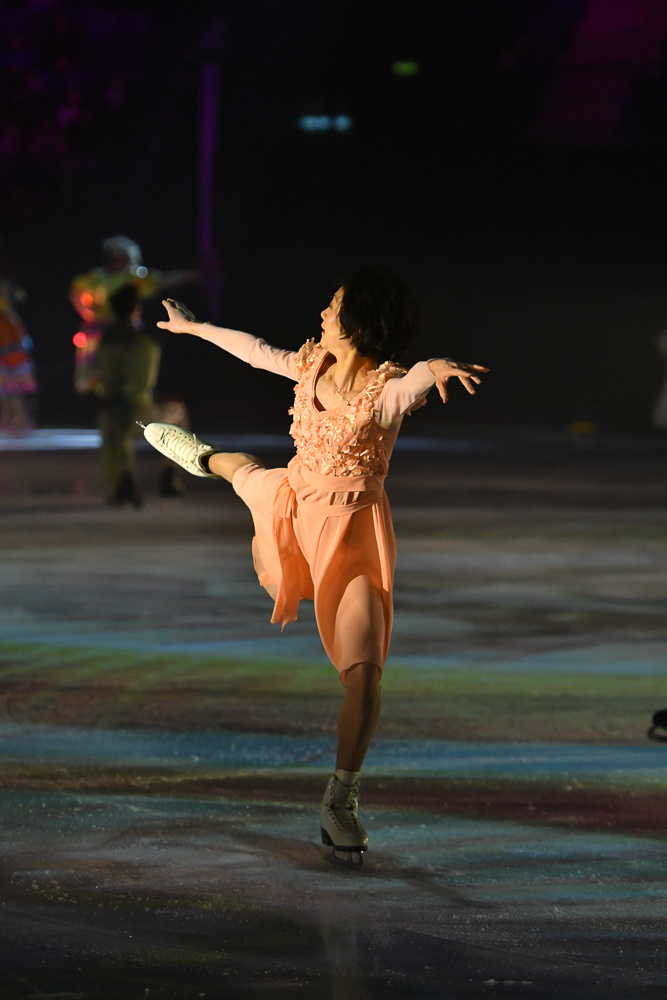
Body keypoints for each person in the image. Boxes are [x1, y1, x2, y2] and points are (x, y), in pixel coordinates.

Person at [142, 267, 488, 864]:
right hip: (293, 502)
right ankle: (206, 457)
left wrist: (441, 366)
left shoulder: (385, 392)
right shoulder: (310, 365)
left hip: (351, 536)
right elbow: (254, 352)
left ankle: (340, 800)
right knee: (245, 474)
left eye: (332, 309)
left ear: (353, 326)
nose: (322, 316)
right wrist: (196, 329)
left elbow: (419, 382)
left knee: (365, 674)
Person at [70, 234, 199, 394]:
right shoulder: (96, 276)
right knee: (90, 350)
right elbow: (76, 290)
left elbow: (160, 280)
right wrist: (86, 310)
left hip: (128, 326)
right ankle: (91, 383)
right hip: (99, 327)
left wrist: (189, 275)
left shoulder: (132, 276)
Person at [95, 283, 160, 506]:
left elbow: (99, 376)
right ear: (136, 309)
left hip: (111, 405)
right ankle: (170, 479)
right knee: (180, 416)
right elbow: (141, 384)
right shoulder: (143, 342)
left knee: (114, 430)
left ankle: (118, 483)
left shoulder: (105, 341)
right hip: (137, 408)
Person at [0, 237, 37, 431]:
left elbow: (17, 300)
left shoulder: (8, 285)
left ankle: (18, 418)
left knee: (10, 379)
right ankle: (10, 417)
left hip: (8, 332)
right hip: (7, 330)